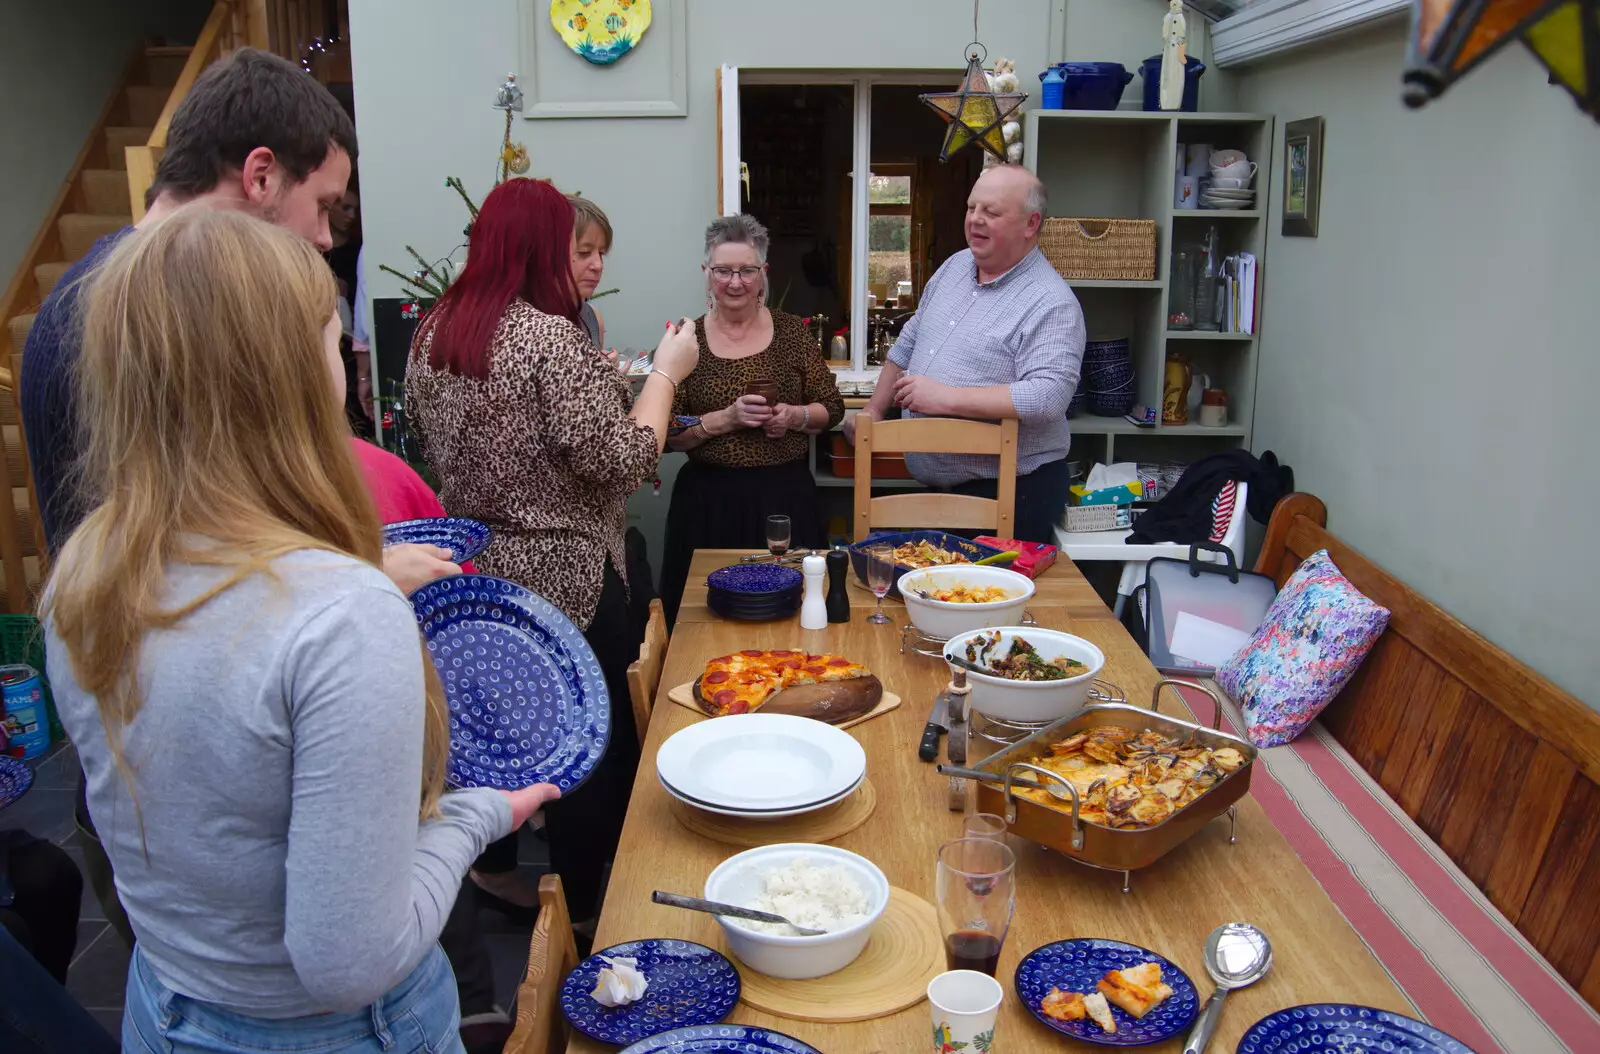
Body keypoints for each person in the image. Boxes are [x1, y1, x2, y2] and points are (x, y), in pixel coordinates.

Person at [45, 206, 561, 1052]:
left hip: (167, 1006)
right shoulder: (341, 616)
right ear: (286, 376)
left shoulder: (89, 567)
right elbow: (352, 961)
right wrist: (479, 815)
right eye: (332, 341)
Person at [17, 46, 459, 957]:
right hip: (190, 792)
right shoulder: (107, 314)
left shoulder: (140, 300)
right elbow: (186, 595)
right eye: (326, 207)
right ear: (260, 175)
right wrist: (354, 589)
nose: (330, 236)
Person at [406, 177, 698, 926]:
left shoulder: (436, 330)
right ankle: (585, 907)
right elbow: (623, 458)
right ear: (541, 246)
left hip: (477, 574)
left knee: (504, 739)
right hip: (565, 574)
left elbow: (429, 434)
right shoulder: (546, 335)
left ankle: (498, 875)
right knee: (585, 750)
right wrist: (664, 375)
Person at [845, 165, 1085, 544]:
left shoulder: (1051, 302)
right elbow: (909, 340)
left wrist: (946, 398)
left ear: (1031, 223)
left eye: (991, 212)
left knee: (988, 600)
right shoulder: (955, 266)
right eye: (972, 208)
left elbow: (1048, 397)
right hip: (942, 490)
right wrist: (873, 411)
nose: (975, 220)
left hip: (1013, 492)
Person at [659, 214, 845, 624]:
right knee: (705, 623)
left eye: (746, 270)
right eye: (724, 270)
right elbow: (666, 433)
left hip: (784, 504)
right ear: (707, 274)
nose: (735, 281)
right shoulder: (686, 340)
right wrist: (724, 418)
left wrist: (793, 416)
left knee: (792, 619)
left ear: (763, 274)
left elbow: (831, 407)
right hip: (708, 508)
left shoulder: (791, 332)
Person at [569, 193, 611, 350]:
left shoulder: (593, 317)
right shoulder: (536, 326)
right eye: (584, 252)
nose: (598, 265)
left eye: (601, 253)